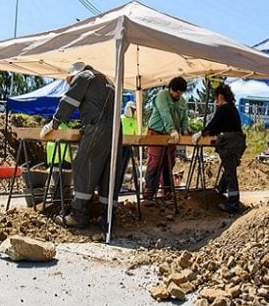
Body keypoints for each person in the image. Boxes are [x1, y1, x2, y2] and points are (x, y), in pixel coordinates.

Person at [40, 62, 123, 230]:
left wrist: (54, 123)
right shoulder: (106, 80)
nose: (70, 83)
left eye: (70, 81)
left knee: (83, 164)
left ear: (74, 75)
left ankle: (79, 216)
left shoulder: (84, 77)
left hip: (98, 126)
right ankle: (107, 218)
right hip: (116, 129)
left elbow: (69, 101)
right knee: (109, 171)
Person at [192, 83, 246, 213]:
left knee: (230, 172)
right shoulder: (232, 108)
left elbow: (214, 125)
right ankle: (220, 190)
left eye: (216, 99)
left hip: (230, 144)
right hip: (238, 143)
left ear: (220, 96)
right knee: (229, 169)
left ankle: (233, 204)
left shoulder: (223, 109)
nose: (216, 102)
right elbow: (221, 126)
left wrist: (201, 133)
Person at [143, 76, 189, 200]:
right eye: (176, 92)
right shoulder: (162, 96)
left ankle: (167, 192)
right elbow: (165, 113)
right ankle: (149, 193)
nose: (178, 95)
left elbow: (184, 116)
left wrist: (185, 130)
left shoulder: (182, 101)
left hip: (171, 136)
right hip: (157, 133)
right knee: (155, 162)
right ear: (171, 89)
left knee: (169, 162)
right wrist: (172, 130)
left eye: (181, 93)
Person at [120, 100, 138, 193]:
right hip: (119, 146)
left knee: (124, 166)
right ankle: (115, 186)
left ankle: (119, 185)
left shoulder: (134, 122)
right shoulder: (121, 119)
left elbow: (136, 134)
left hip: (128, 146)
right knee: (117, 166)